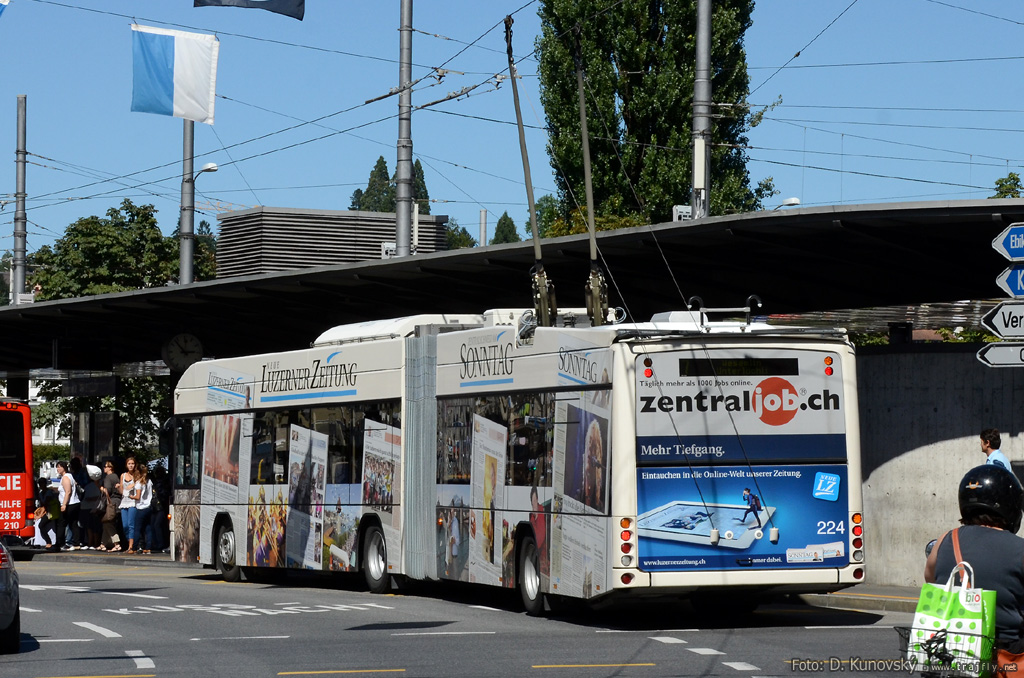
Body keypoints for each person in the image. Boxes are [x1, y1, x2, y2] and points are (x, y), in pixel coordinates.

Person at [925, 464, 1024, 650]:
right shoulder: (1020, 548)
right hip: (1005, 654)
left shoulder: (945, 540)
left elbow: (931, 580)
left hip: (950, 649)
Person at [55, 460, 82, 550]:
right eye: (57, 467)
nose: (58, 469)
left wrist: (64, 504)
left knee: (62, 523)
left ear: (64, 468)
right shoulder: (70, 476)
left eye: (60, 467)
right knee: (73, 523)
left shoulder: (66, 477)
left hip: (69, 504)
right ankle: (77, 543)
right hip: (74, 503)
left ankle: (60, 543)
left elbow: (68, 492)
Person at [99, 460, 122, 552]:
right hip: (118, 502)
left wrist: (100, 488)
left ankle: (116, 544)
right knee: (107, 523)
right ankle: (103, 544)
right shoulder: (116, 476)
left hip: (111, 503)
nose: (104, 468)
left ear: (110, 468)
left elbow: (107, 490)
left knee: (108, 523)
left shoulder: (108, 478)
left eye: (105, 466)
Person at [119, 455, 139, 554]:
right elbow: (121, 491)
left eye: (132, 464)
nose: (131, 466)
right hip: (124, 501)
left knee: (131, 524)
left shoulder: (136, 475)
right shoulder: (123, 475)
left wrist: (134, 484)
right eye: (129, 464)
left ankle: (131, 546)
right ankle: (129, 542)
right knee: (125, 525)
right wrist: (119, 487)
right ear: (126, 465)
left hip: (133, 502)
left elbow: (140, 486)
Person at [134, 464, 154, 554]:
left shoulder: (139, 483)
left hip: (141, 507)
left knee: (137, 528)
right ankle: (148, 547)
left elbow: (137, 497)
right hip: (148, 507)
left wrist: (131, 496)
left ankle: (134, 547)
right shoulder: (149, 481)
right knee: (148, 528)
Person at [34, 478, 59, 549]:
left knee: (41, 525)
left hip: (51, 512)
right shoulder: (41, 493)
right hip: (47, 512)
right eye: (40, 484)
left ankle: (49, 542)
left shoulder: (49, 493)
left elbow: (46, 503)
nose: (41, 485)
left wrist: (41, 514)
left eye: (42, 483)